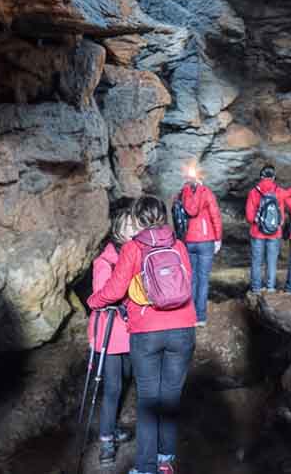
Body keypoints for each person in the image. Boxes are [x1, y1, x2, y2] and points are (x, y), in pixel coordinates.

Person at [91, 196, 197, 474]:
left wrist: (94, 301)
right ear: (164, 217)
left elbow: (114, 291)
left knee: (149, 401)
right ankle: (166, 462)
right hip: (183, 329)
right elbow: (188, 281)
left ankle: (146, 468)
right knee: (170, 399)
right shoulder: (179, 245)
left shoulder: (133, 248)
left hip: (147, 332)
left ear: (138, 220)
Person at [86, 204, 139, 465]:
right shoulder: (104, 261)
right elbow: (102, 294)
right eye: (130, 226)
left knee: (127, 378)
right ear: (118, 230)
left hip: (128, 331)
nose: (135, 229)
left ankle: (113, 427)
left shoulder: (134, 254)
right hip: (109, 333)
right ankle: (106, 440)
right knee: (113, 388)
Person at [178, 167, 222, 326]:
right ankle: (200, 317)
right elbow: (215, 215)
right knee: (203, 279)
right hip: (206, 239)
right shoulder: (206, 192)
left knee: (191, 278)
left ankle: (188, 315)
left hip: (189, 240)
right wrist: (218, 238)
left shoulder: (182, 193)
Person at [245, 165, 291, 293]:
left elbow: (249, 217)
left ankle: (256, 288)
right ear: (273, 177)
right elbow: (287, 200)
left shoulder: (253, 192)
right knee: (271, 262)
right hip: (275, 233)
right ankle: (270, 288)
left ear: (261, 176)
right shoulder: (279, 191)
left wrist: (257, 221)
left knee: (257, 262)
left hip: (257, 233)